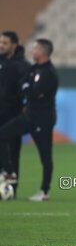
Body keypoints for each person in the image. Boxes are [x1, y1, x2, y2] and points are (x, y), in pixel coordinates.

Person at [0, 39, 58, 201]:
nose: (32, 51)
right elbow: (23, 87)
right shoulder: (34, 69)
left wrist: (28, 90)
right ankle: (10, 172)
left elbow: (35, 92)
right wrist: (27, 89)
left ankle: (44, 191)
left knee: (45, 155)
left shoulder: (49, 73)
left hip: (42, 119)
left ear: (43, 51)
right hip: (28, 116)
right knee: (2, 135)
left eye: (35, 48)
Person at [0, 31, 30, 196]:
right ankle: (2, 186)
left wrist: (25, 104)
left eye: (4, 43)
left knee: (13, 151)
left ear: (14, 45)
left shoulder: (22, 65)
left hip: (12, 114)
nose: (1, 45)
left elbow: (26, 88)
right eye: (0, 42)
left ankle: (12, 188)